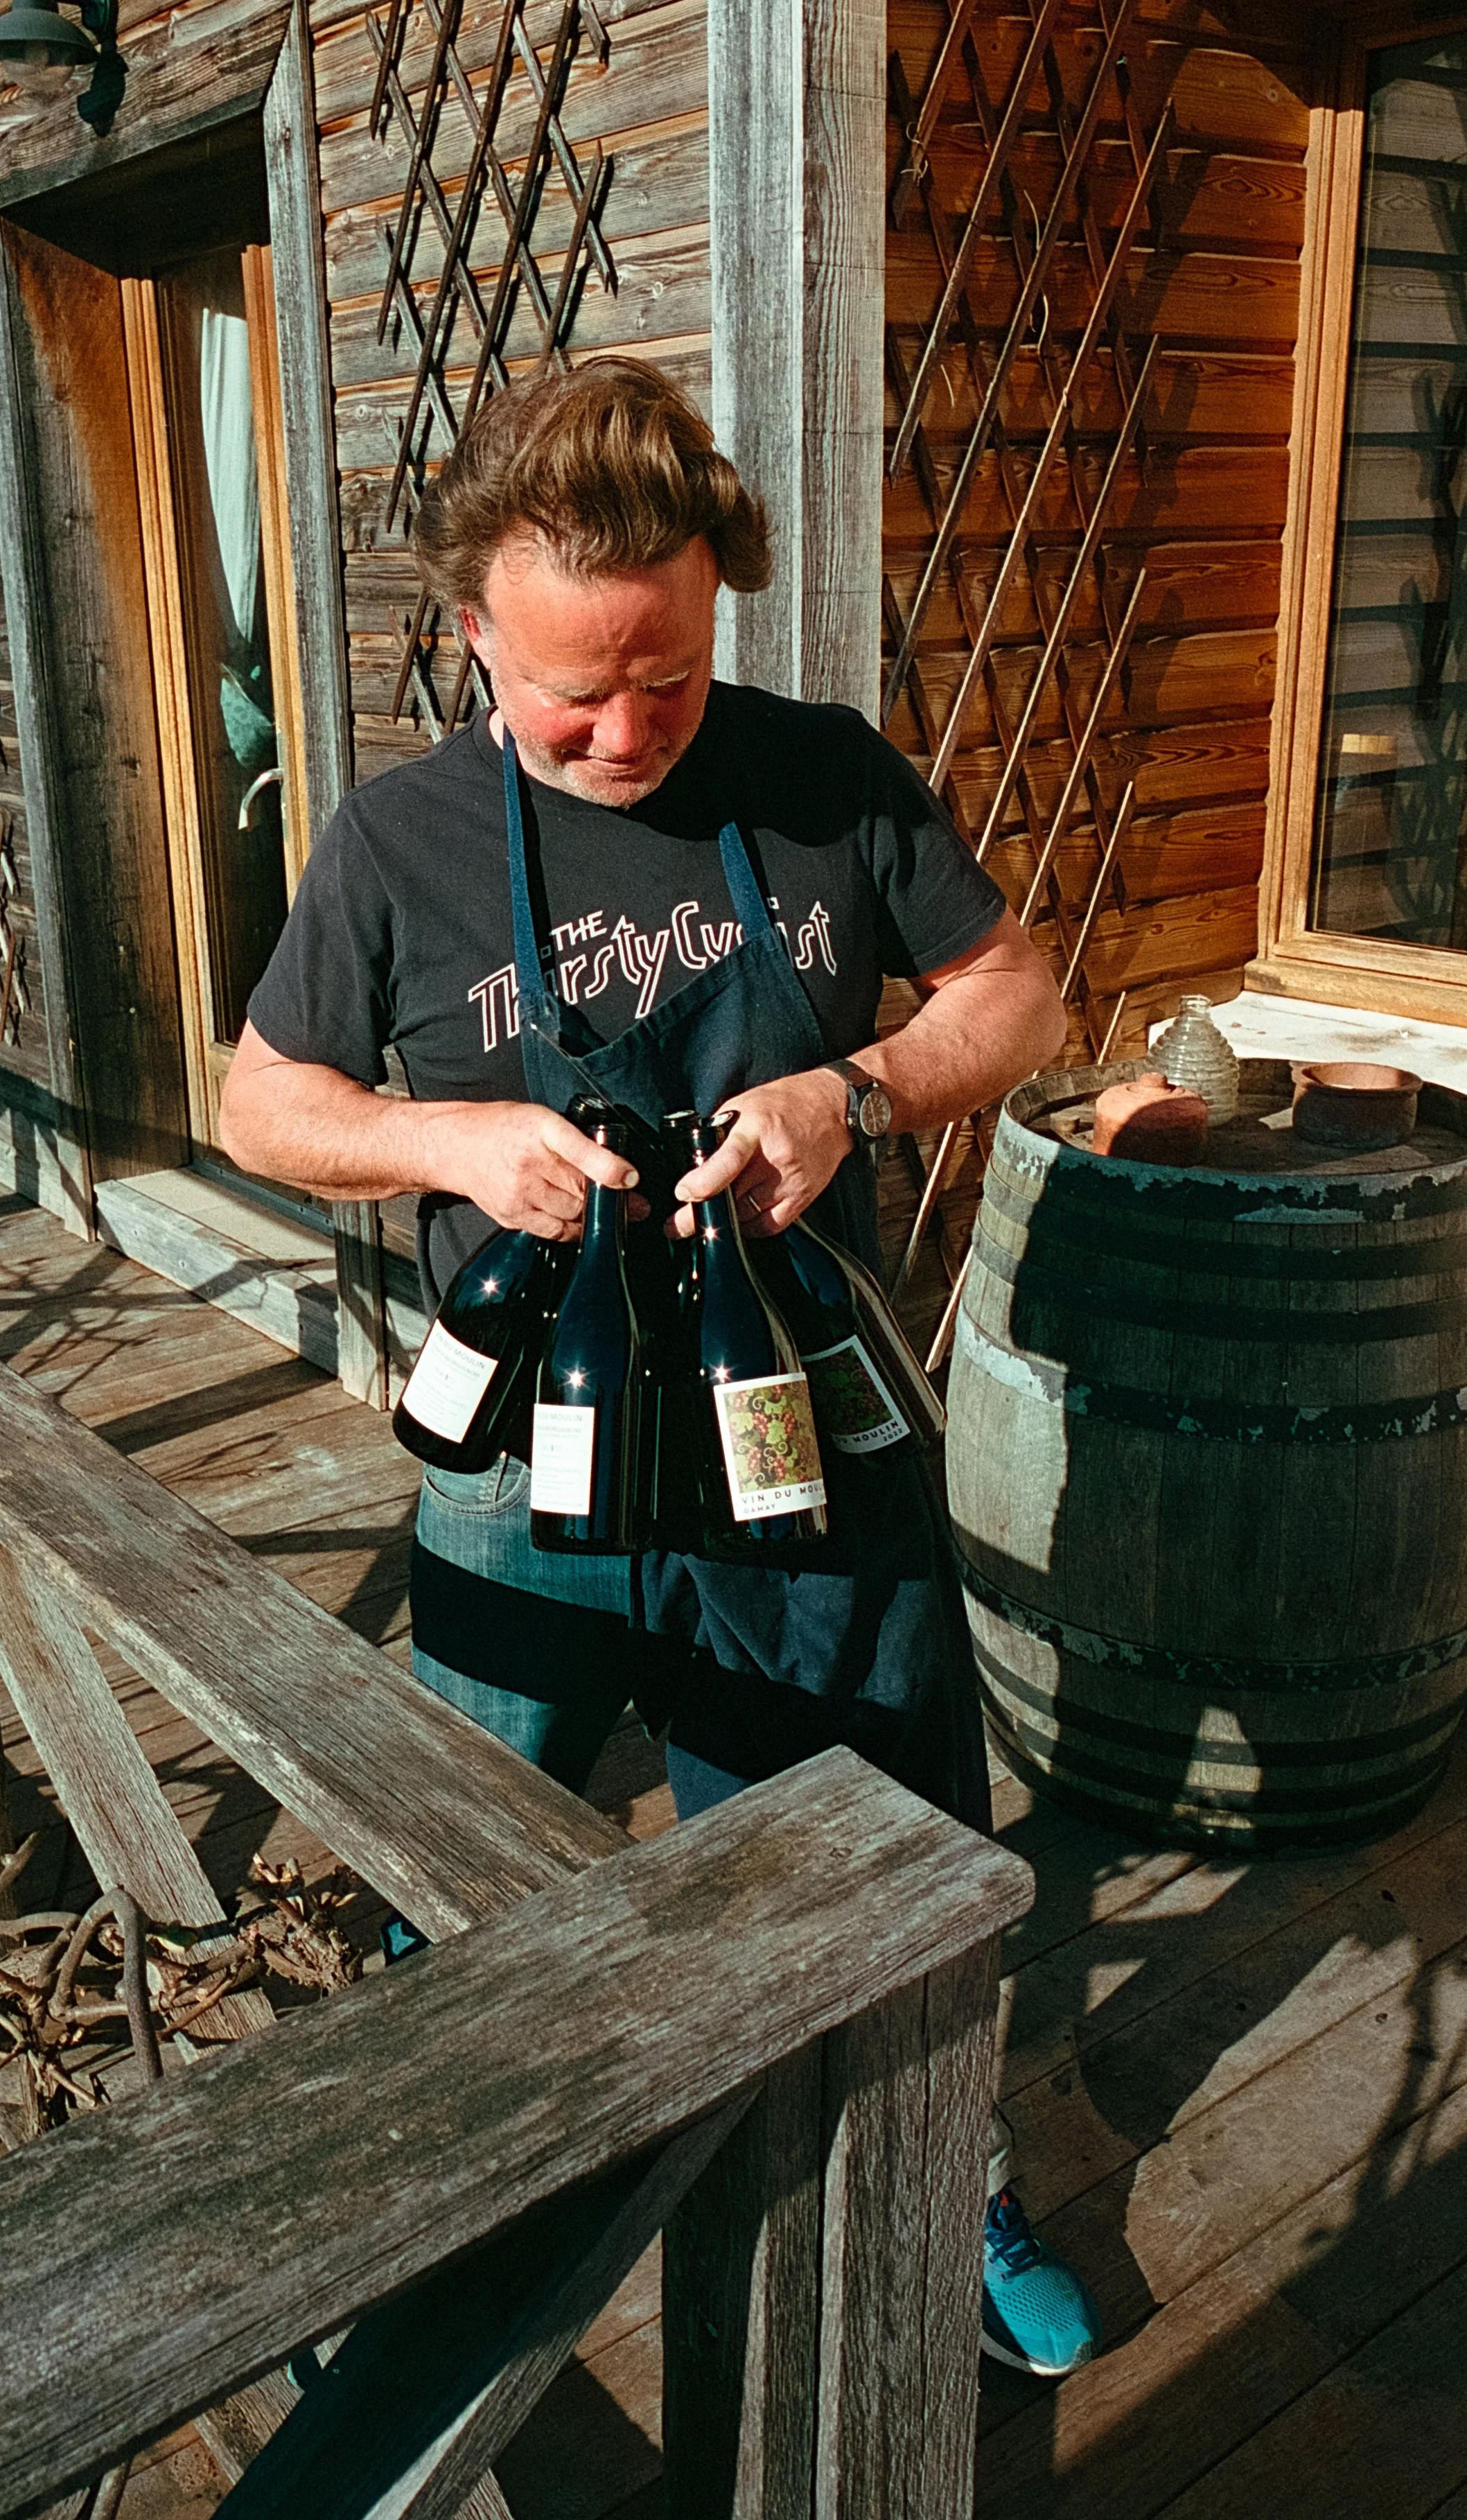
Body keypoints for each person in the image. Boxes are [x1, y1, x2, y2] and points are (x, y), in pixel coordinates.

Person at [221, 357, 1098, 2378]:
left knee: (887, 1855)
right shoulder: (397, 839)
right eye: (567, 698)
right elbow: (266, 1104)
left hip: (809, 1436)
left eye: (671, 684)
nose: (622, 736)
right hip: (515, 1458)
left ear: (718, 616)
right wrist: (445, 1142)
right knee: (462, 1864)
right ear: (472, 633)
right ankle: (438, 2210)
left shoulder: (825, 775)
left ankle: (946, 2178)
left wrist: (854, 1094)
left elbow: (1019, 992)